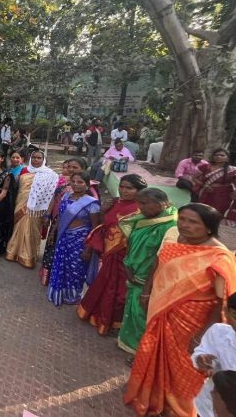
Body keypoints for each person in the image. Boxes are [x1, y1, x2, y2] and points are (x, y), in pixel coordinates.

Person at [124, 204, 236, 416]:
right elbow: (158, 267)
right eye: (182, 219)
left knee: (184, 367)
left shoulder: (219, 257)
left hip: (192, 323)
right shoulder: (177, 242)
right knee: (156, 354)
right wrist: (147, 293)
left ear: (209, 228)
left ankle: (178, 408)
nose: (184, 225)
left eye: (192, 222)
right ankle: (153, 397)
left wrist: (204, 334)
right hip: (163, 312)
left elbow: (221, 301)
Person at [77, 174, 147, 335]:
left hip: (125, 255)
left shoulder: (141, 210)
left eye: (129, 188)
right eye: (122, 186)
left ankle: (113, 322)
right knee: (103, 285)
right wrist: (103, 211)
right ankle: (96, 316)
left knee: (118, 291)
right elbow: (104, 225)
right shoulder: (114, 202)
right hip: (109, 252)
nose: (124, 190)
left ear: (140, 190)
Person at [117, 188, 178, 355]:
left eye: (144, 203)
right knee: (133, 310)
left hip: (148, 279)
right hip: (134, 272)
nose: (140, 207)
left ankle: (142, 353)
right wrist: (128, 265)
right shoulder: (144, 219)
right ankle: (129, 344)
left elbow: (161, 259)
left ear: (162, 204)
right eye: (139, 203)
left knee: (142, 315)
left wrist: (147, 287)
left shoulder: (170, 227)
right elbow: (132, 243)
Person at [46, 172, 101, 306]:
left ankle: (73, 296)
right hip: (63, 237)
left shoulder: (92, 203)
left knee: (76, 269)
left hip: (80, 242)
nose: (76, 184)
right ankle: (59, 292)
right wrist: (52, 232)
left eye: (80, 182)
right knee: (61, 265)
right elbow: (60, 217)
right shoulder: (66, 196)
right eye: (73, 181)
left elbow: (95, 229)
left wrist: (88, 249)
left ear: (87, 185)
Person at [39, 157, 89, 286]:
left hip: (73, 228)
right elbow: (54, 198)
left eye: (75, 167)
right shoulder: (65, 183)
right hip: (57, 220)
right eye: (69, 166)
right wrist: (48, 214)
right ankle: (48, 277)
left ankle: (62, 280)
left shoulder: (87, 188)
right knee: (52, 246)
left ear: (84, 169)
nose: (71, 169)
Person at [5, 150, 58, 268]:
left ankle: (28, 257)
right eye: (34, 157)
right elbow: (16, 187)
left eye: (39, 158)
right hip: (21, 203)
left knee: (32, 232)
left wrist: (47, 213)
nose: (36, 160)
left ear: (43, 160)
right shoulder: (24, 170)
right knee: (18, 227)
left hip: (37, 209)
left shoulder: (50, 174)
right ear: (30, 158)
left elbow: (51, 194)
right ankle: (13, 252)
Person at [191, 292, 236, 417]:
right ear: (226, 312)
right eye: (235, 316)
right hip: (208, 406)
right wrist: (200, 360)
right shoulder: (218, 332)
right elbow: (199, 355)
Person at [192, 148, 236, 223]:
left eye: (222, 155)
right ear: (213, 157)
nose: (219, 156)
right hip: (207, 192)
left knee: (217, 213)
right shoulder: (205, 167)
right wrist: (204, 186)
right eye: (216, 155)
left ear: (227, 158)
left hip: (224, 195)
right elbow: (194, 178)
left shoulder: (232, 170)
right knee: (203, 210)